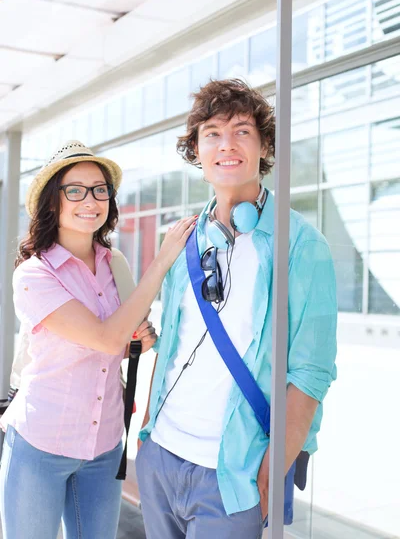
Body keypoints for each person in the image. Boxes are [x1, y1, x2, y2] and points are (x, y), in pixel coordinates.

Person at [136, 79, 337, 539]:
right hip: (160, 456)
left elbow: (310, 373)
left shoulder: (303, 246)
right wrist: (146, 432)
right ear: (197, 151)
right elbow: (172, 343)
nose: (226, 144)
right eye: (212, 133)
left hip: (233, 475)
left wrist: (268, 477)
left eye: (242, 131)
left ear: (264, 145)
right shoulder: (182, 237)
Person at [0, 141, 196, 539]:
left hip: (105, 446)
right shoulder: (34, 275)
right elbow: (106, 338)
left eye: (99, 189)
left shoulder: (116, 263)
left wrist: (141, 337)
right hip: (41, 444)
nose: (90, 200)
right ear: (52, 202)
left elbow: (125, 342)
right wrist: (161, 263)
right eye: (75, 189)